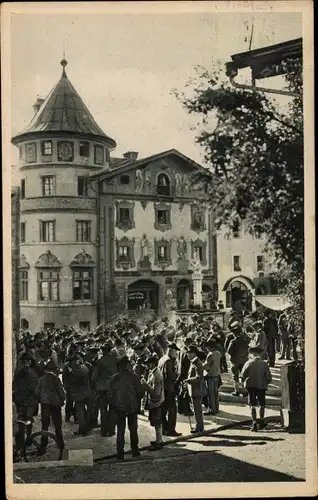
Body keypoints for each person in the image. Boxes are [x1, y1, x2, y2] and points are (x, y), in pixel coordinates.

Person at [109, 356, 145, 460]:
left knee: (120, 430)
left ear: (119, 366)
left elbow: (110, 395)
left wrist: (114, 404)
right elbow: (141, 393)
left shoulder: (114, 378)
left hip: (119, 408)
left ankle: (120, 453)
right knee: (133, 430)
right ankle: (135, 450)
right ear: (128, 365)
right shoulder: (134, 377)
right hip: (132, 408)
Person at [35, 357, 65, 455]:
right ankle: (60, 443)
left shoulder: (41, 379)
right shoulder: (56, 379)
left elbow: (36, 392)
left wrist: (41, 399)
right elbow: (61, 392)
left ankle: (43, 446)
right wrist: (62, 400)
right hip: (56, 405)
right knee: (57, 424)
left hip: (45, 404)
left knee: (45, 425)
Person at [13, 351, 39, 459]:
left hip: (23, 401)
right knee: (28, 420)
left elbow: (15, 385)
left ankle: (23, 443)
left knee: (22, 421)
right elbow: (35, 387)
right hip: (30, 401)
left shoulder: (20, 372)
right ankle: (28, 439)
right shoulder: (33, 372)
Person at [240, 346, 272, 432]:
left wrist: (242, 382)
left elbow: (243, 375)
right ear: (260, 354)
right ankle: (261, 421)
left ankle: (254, 423)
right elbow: (269, 377)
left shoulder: (248, 363)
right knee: (262, 404)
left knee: (252, 405)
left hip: (251, 386)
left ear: (252, 354)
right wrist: (265, 382)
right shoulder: (264, 364)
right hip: (261, 386)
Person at [92, 341, 118, 437]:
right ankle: (111, 430)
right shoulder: (115, 361)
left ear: (103, 351)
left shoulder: (99, 362)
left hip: (102, 388)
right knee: (112, 409)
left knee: (103, 410)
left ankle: (103, 431)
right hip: (112, 388)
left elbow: (94, 377)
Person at [141, 353, 165, 450]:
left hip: (156, 402)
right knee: (155, 422)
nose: (147, 365)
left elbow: (156, 392)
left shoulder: (157, 374)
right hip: (154, 401)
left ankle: (159, 442)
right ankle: (158, 440)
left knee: (157, 422)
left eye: (149, 363)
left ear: (153, 363)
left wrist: (146, 385)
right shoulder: (153, 372)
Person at [158, 342, 182, 437]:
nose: (176, 354)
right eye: (175, 352)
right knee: (172, 411)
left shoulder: (162, 358)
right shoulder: (169, 361)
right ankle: (171, 430)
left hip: (163, 388)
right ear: (171, 351)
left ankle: (164, 429)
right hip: (169, 389)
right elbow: (170, 375)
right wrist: (177, 376)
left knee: (163, 410)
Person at [68, 353, 93, 436]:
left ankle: (83, 431)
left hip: (79, 395)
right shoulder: (84, 367)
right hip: (87, 392)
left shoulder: (74, 372)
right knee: (87, 412)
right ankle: (88, 428)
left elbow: (72, 383)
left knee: (80, 414)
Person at [184, 344, 205, 433]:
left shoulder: (197, 363)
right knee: (196, 409)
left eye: (189, 353)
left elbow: (198, 377)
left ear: (194, 354)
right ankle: (199, 425)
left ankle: (199, 427)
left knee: (197, 410)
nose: (188, 355)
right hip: (194, 390)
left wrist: (188, 380)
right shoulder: (193, 362)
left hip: (197, 390)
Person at [226, 322, 250, 396]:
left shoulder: (233, 341)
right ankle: (245, 391)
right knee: (244, 376)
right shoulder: (247, 340)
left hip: (235, 361)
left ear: (234, 333)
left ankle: (237, 391)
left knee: (235, 376)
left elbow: (229, 351)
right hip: (244, 360)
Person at [203, 337, 222, 415]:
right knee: (216, 393)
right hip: (217, 374)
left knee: (210, 394)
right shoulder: (218, 353)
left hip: (210, 375)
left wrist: (202, 364)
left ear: (209, 347)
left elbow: (206, 366)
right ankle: (216, 408)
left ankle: (212, 409)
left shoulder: (210, 354)